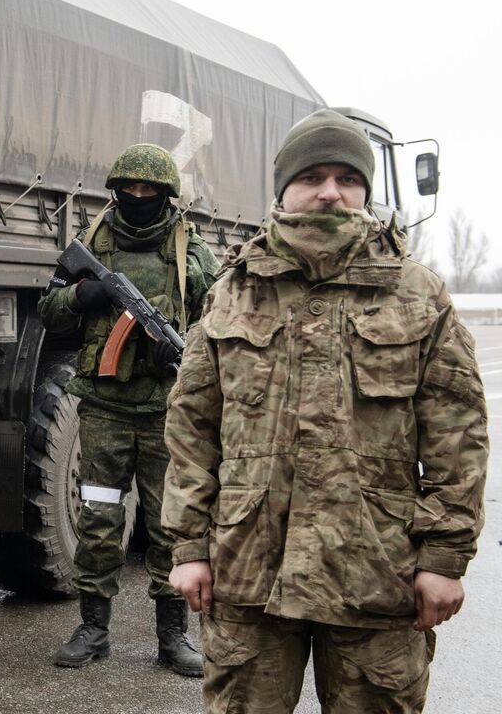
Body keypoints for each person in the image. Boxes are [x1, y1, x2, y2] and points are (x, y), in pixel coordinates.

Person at [163, 108, 488, 712]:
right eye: (313, 176)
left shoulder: (416, 292)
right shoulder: (234, 289)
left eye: (348, 178)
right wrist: (189, 547)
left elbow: (457, 433)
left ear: (365, 192)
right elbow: (192, 426)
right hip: (247, 569)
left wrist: (444, 556)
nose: (330, 192)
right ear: (284, 188)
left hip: (377, 572)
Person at [37, 143, 218, 677]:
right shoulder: (96, 242)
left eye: (150, 190)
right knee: (97, 517)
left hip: (166, 411)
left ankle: (172, 636)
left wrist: (179, 344)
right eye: (130, 190)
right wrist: (82, 298)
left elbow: (220, 319)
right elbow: (49, 310)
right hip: (103, 410)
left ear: (165, 194)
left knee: (169, 526)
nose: (139, 198)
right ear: (117, 191)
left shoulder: (190, 249)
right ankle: (93, 629)